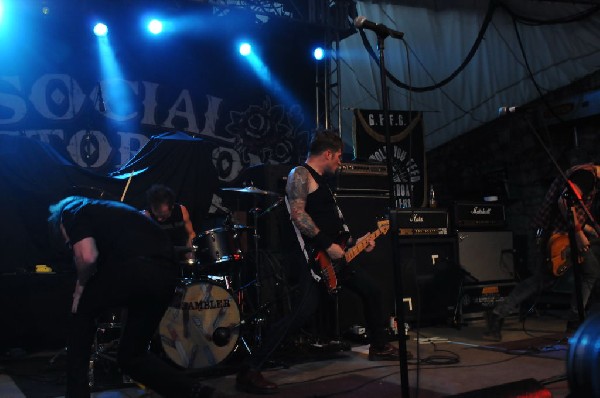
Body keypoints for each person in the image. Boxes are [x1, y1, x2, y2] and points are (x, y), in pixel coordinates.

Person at [235, 130, 410, 394]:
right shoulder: (300, 174)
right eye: (338, 156)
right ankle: (250, 370)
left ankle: (380, 345)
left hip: (333, 258)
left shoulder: (324, 183)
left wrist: (355, 242)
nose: (340, 162)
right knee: (301, 312)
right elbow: (298, 215)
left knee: (372, 291)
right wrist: (328, 245)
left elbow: (332, 225)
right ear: (328, 153)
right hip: (310, 259)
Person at [48, 196, 215, 398]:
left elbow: (87, 257)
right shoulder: (114, 212)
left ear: (60, 225)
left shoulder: (71, 210)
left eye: (68, 242)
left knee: (80, 314)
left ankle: (76, 395)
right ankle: (195, 392)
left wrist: (79, 288)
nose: (69, 245)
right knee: (132, 357)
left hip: (133, 267)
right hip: (166, 274)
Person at [484, 163, 600, 341]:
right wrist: (578, 232)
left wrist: (588, 229)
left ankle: (497, 313)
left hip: (556, 232)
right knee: (588, 273)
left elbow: (572, 208)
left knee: (545, 280)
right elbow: (565, 201)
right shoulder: (587, 176)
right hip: (557, 235)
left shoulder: (585, 174)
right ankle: (574, 323)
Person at [143, 184, 196, 260]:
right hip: (160, 256)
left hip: (181, 252)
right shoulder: (146, 216)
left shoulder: (181, 210)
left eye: (163, 216)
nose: (159, 219)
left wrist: (190, 250)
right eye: (157, 215)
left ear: (172, 207)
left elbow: (191, 233)